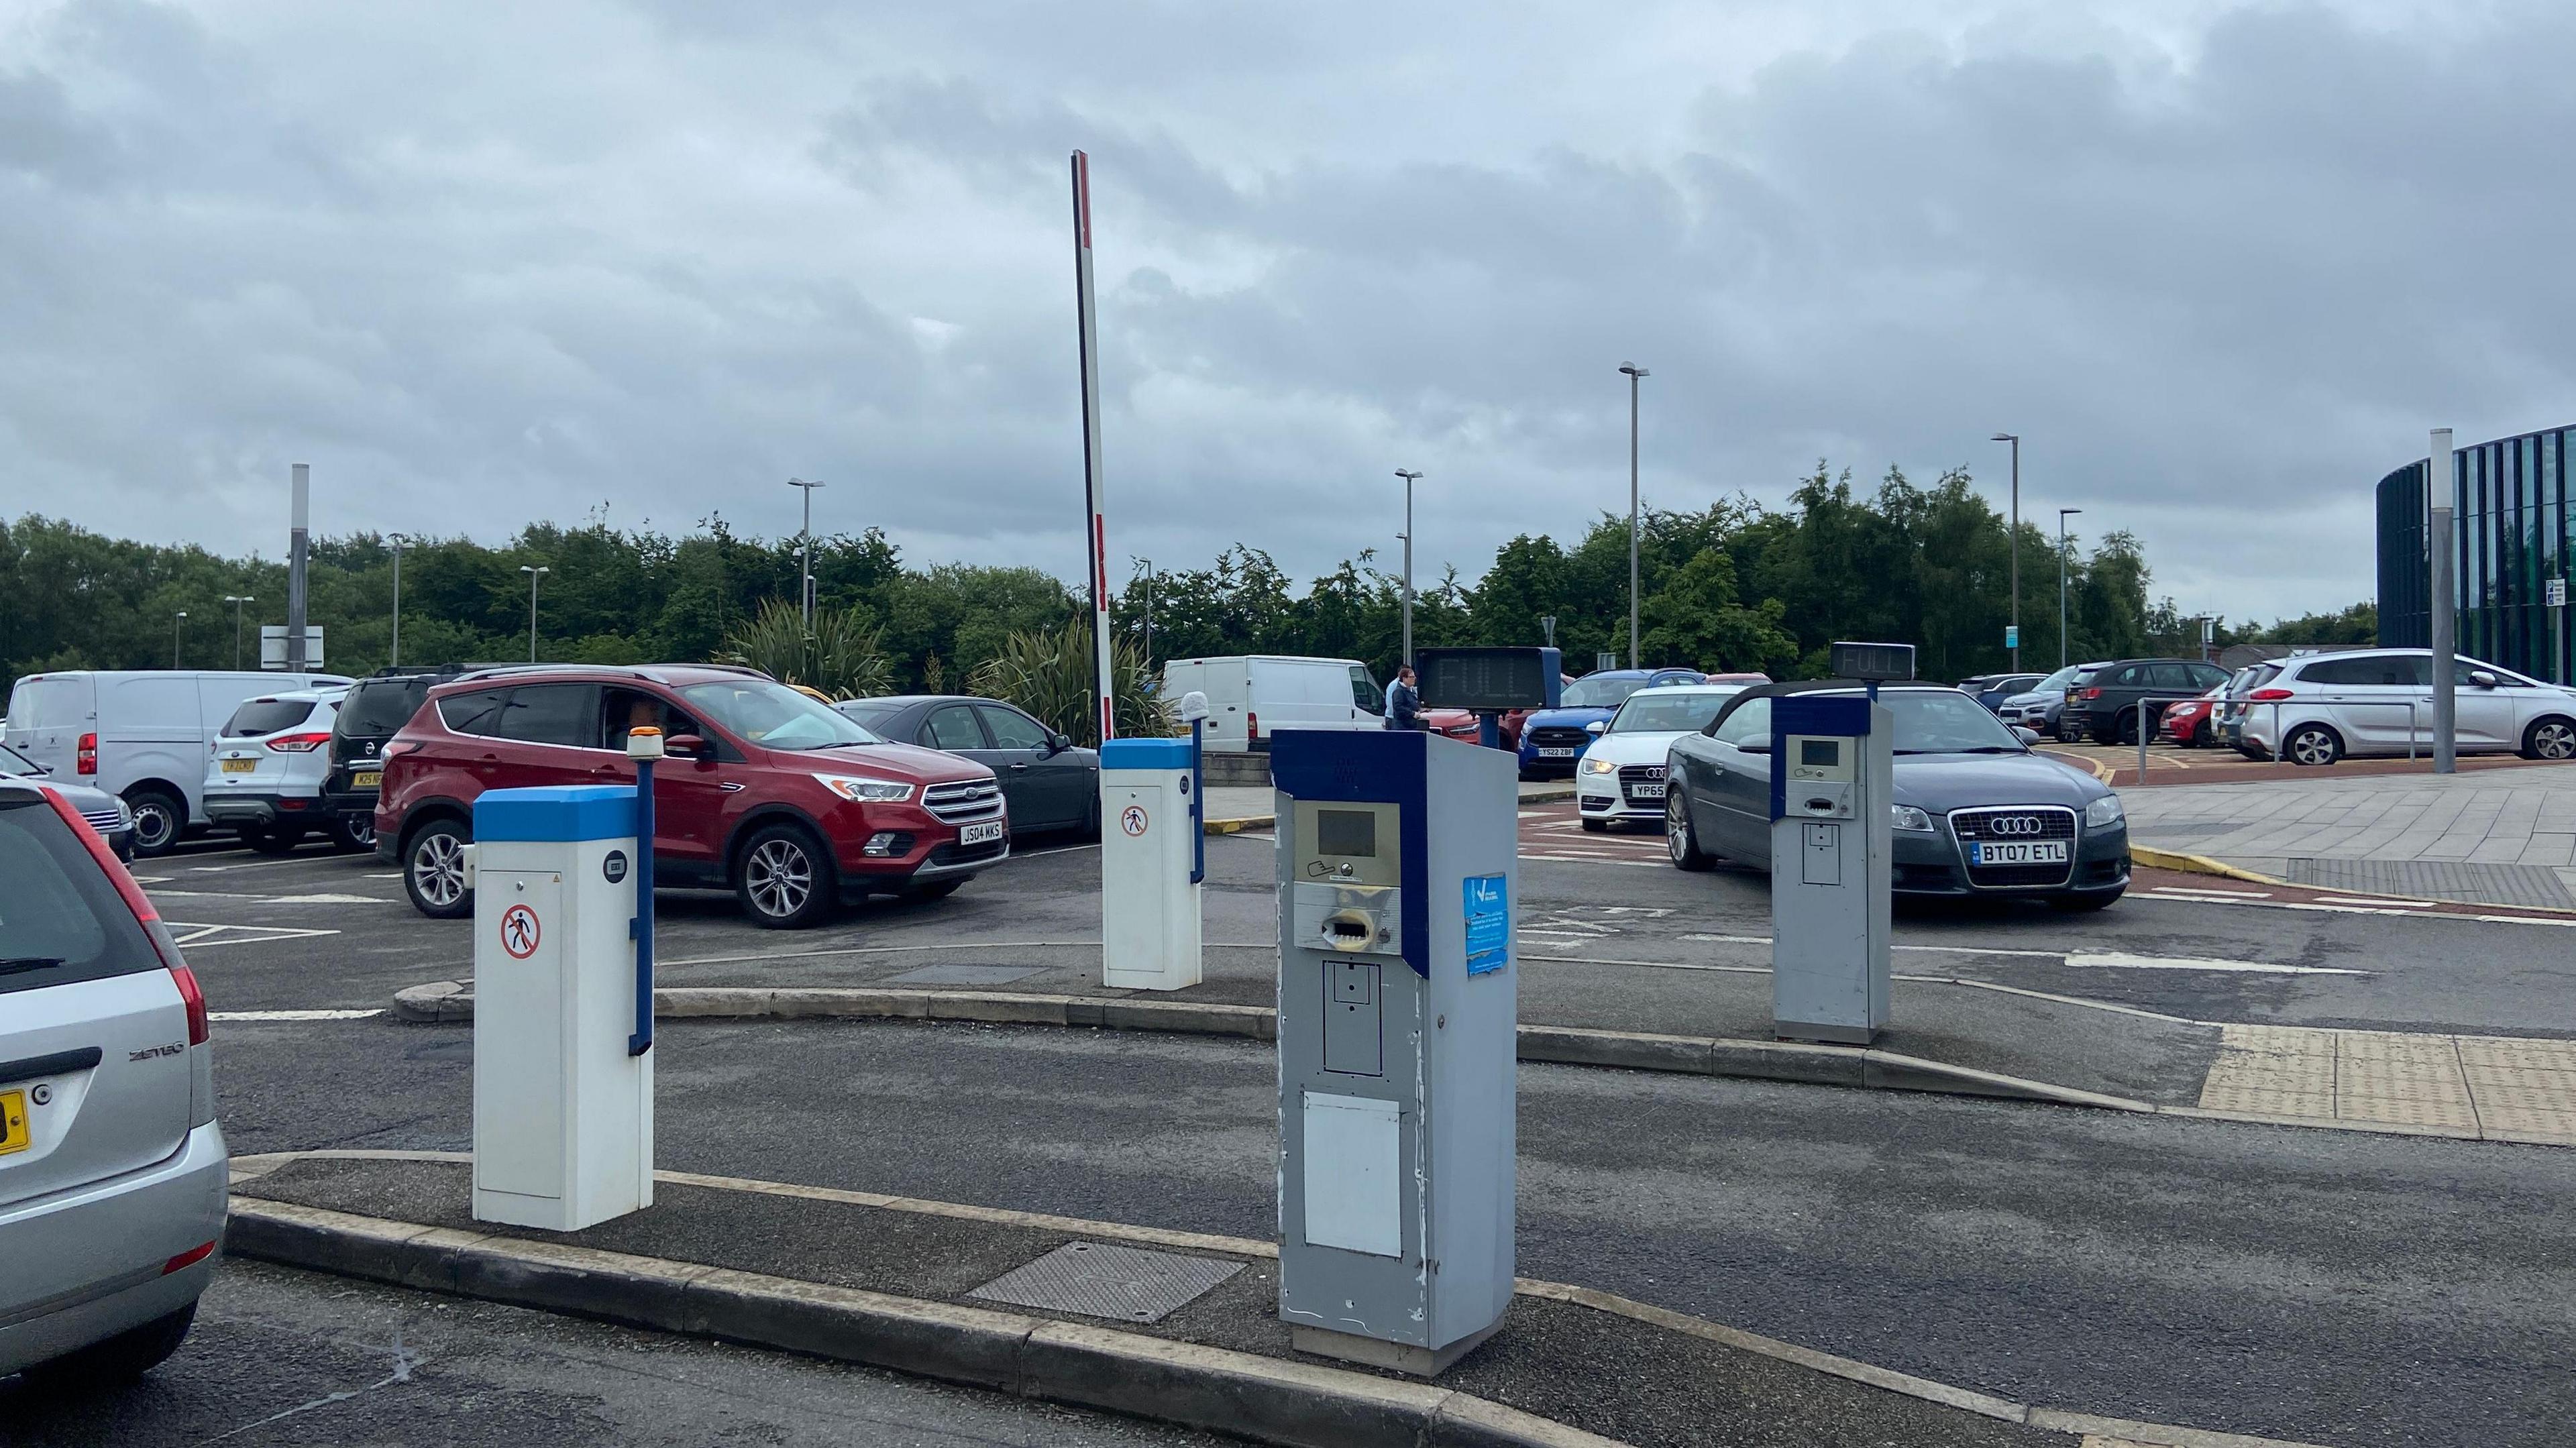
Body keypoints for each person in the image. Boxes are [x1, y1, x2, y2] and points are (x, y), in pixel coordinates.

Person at [1383, 665, 1424, 731]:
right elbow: (1398, 707)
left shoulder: (1411, 690)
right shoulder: (1399, 691)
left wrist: (1421, 709)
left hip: (1411, 727)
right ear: (1404, 678)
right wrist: (1412, 713)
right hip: (1402, 728)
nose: (1414, 679)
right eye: (1411, 677)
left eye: (1414, 677)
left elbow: (1412, 704)